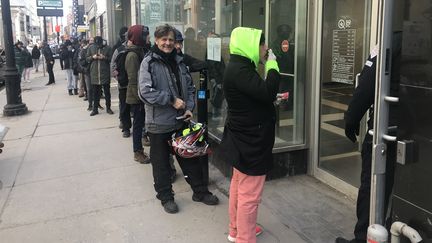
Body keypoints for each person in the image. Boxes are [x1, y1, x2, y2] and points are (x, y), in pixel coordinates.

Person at [139, 24, 219, 214]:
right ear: (157, 40)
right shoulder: (148, 62)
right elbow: (144, 92)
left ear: (176, 42)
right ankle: (166, 198)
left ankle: (199, 192)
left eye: (171, 40)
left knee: (190, 158)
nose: (167, 43)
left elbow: (190, 88)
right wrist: (171, 100)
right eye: (164, 39)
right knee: (161, 165)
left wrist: (190, 107)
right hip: (158, 123)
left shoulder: (180, 62)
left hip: (181, 120)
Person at [336, 33, 401, 243]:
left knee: (372, 186)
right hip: (413, 132)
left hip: (384, 132)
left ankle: (364, 237)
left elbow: (366, 84)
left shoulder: (390, 41)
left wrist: (351, 119)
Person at [221, 27, 280, 243]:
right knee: (250, 195)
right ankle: (244, 238)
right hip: (251, 143)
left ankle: (236, 229)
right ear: (251, 45)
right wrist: (273, 64)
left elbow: (256, 97)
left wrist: (269, 101)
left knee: (239, 185)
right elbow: (267, 91)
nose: (265, 49)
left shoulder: (239, 67)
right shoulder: (241, 70)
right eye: (262, 44)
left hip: (242, 139)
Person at [125, 24, 151, 164]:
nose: (148, 37)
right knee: (138, 125)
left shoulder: (141, 50)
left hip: (141, 96)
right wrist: (142, 99)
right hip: (137, 97)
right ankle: (138, 152)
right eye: (145, 35)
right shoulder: (132, 55)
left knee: (141, 123)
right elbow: (134, 81)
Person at [110, 26, 131, 137]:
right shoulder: (119, 49)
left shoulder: (139, 49)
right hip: (123, 84)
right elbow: (112, 65)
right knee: (124, 106)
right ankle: (126, 127)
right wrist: (118, 77)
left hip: (136, 85)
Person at [86, 36, 113, 116]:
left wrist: (104, 57)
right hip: (94, 74)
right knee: (95, 93)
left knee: (107, 92)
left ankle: (108, 108)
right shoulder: (91, 48)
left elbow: (111, 58)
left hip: (104, 73)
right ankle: (95, 109)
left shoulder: (107, 48)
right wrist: (92, 57)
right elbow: (87, 58)